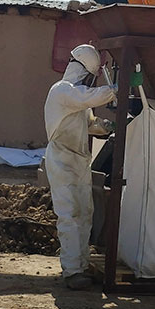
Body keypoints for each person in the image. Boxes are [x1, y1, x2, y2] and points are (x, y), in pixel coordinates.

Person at [44, 44, 116, 290]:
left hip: (79, 160)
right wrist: (119, 88)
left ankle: (82, 266)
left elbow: (90, 124)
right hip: (62, 160)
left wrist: (107, 127)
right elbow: (89, 97)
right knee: (70, 215)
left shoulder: (77, 99)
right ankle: (73, 271)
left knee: (85, 214)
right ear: (83, 71)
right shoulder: (62, 91)